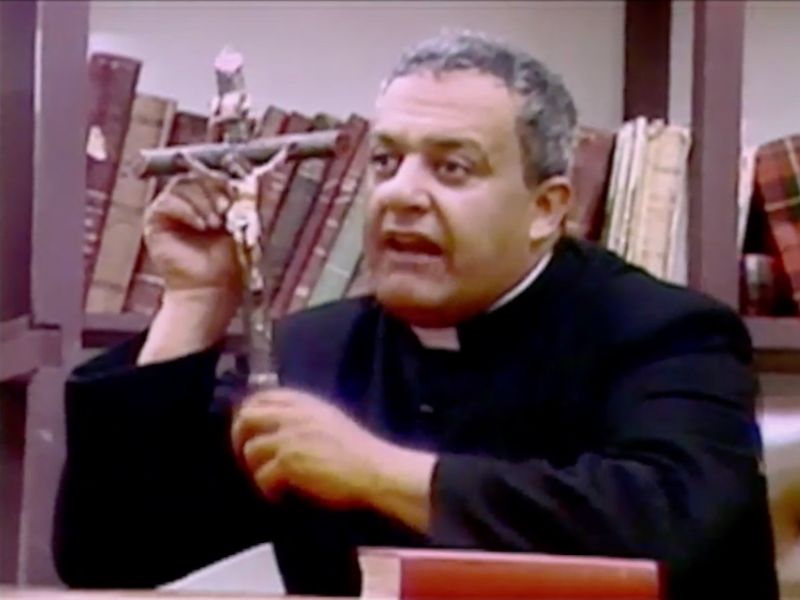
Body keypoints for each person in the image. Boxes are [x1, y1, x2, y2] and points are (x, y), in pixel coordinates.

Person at [53, 31, 778, 599]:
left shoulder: (664, 333)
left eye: (451, 167)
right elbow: (110, 553)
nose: (402, 193)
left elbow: (675, 525)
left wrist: (380, 472)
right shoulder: (313, 354)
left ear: (546, 208)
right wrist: (192, 304)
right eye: (385, 161)